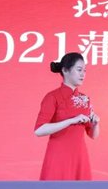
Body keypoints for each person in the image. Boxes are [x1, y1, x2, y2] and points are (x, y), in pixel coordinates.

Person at [34, 52, 100, 180]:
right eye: (79, 70)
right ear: (65, 70)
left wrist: (95, 124)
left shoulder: (84, 99)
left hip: (80, 155)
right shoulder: (52, 97)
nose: (83, 74)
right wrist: (70, 121)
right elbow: (39, 130)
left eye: (84, 71)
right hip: (58, 155)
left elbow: (93, 135)